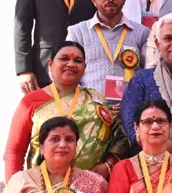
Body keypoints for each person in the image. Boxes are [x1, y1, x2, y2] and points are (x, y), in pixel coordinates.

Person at [4, 42, 126, 179]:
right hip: (41, 186)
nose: (71, 64)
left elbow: (119, 139)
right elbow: (14, 150)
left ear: (85, 68)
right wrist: (14, 187)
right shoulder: (31, 101)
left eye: (78, 61)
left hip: (91, 186)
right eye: (64, 58)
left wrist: (108, 165)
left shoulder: (96, 99)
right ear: (50, 64)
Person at [65, 0, 150, 102]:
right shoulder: (77, 32)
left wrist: (132, 106)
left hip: (131, 110)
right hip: (89, 109)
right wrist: (88, 106)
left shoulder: (142, 33)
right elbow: (68, 75)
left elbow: (150, 76)